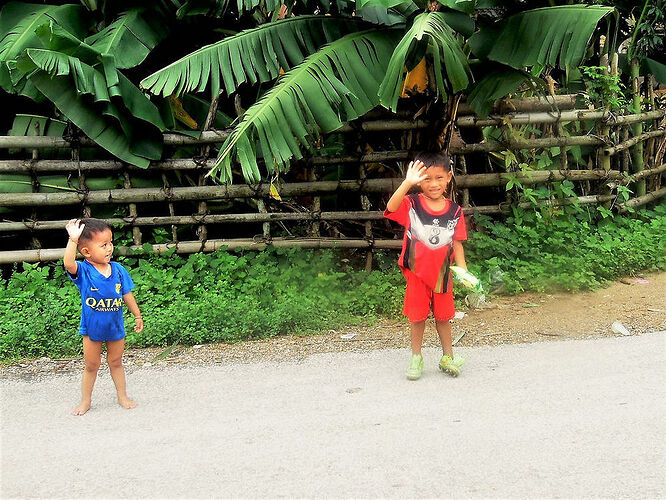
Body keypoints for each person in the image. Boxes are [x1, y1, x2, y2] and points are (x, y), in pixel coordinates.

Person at [385, 152, 468, 380]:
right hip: (416, 274)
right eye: (427, 179)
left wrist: (463, 271)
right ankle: (416, 357)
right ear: (419, 180)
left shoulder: (455, 212)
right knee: (417, 317)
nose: (433, 184)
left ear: (449, 177)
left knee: (444, 317)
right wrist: (407, 183)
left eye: (439, 178)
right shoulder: (411, 205)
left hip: (443, 274)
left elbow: (457, 244)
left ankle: (447, 356)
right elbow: (391, 207)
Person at [64, 218, 143, 415]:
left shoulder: (118, 270)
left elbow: (127, 294)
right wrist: (73, 240)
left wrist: (137, 315)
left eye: (110, 243)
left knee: (116, 362)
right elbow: (68, 263)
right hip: (92, 329)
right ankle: (86, 401)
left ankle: (122, 395)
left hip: (116, 328)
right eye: (103, 245)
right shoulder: (84, 271)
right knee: (92, 365)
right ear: (86, 252)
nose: (109, 248)